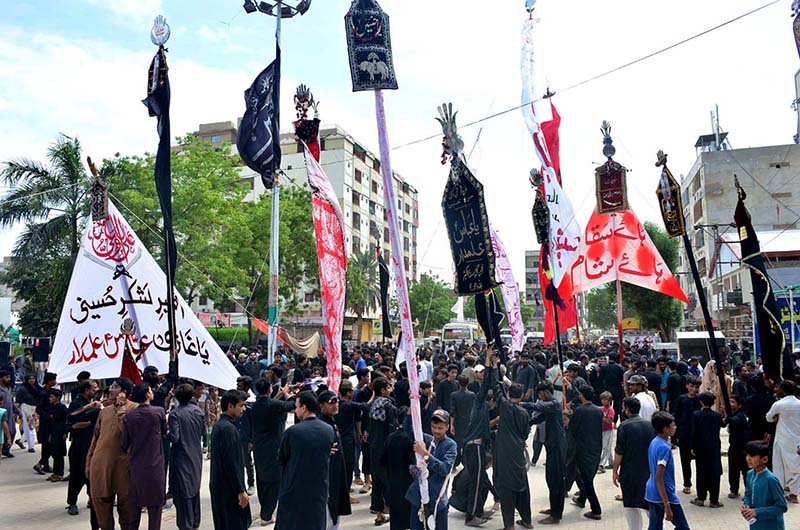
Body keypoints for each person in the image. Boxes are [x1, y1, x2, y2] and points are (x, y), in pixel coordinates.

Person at [276, 390, 336, 530]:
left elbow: (282, 459)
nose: (296, 411)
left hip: (295, 488)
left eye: (296, 407)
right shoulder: (328, 430)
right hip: (319, 488)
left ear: (303, 408)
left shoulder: (292, 432)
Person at [489, 346, 533, 530]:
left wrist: (493, 366)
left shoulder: (505, 407)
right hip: (518, 452)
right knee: (522, 487)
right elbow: (525, 433)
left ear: (509, 394)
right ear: (521, 395)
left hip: (505, 452)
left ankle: (509, 526)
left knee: (507, 489)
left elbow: (495, 388)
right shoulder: (524, 413)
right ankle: (527, 520)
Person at [87, 378, 137, 530]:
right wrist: (88, 463)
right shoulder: (104, 412)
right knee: (101, 503)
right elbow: (95, 439)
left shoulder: (134, 409)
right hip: (101, 465)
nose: (110, 390)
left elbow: (127, 434)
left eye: (115, 387)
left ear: (124, 392)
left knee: (126, 505)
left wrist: (121, 408)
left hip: (123, 466)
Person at [250, 377, 296, 525]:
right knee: (274, 481)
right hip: (273, 447)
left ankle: (265, 509)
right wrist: (288, 393)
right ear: (269, 389)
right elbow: (292, 405)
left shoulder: (254, 405)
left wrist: (280, 395)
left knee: (262, 478)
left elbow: (273, 404)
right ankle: (267, 515)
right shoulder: (273, 404)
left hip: (259, 447)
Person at [121, 382, 167, 530]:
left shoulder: (128, 417)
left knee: (134, 508)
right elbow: (165, 432)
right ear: (148, 394)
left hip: (136, 466)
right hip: (155, 466)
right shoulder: (158, 412)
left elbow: (124, 444)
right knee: (155, 509)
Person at [407, 409, 458, 530]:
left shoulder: (450, 445)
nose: (436, 431)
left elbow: (445, 469)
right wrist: (412, 406)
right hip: (418, 496)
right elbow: (408, 429)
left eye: (440, 428)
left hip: (436, 499)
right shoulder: (426, 439)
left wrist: (425, 454)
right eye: (434, 427)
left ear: (447, 427)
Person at [461, 352, 495, 526]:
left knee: (480, 481)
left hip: (476, 448)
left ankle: (478, 511)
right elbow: (487, 384)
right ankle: (471, 515)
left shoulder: (481, 410)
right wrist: (489, 363)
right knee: (476, 483)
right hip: (474, 448)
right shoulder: (478, 403)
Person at [210, 389, 251, 530]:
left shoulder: (220, 425)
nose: (243, 409)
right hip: (229, 489)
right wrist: (240, 490)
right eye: (241, 405)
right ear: (230, 406)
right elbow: (232, 463)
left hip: (221, 486)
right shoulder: (228, 429)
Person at [613, 397, 656, 530]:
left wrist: (615, 470)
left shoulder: (624, 426)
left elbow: (619, 451)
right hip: (648, 470)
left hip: (629, 472)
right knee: (650, 504)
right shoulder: (650, 425)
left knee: (631, 506)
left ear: (626, 409)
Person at [167, 383, 206, 530]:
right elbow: (203, 432)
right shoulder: (199, 412)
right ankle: (195, 522)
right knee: (194, 488)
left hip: (181, 456)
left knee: (183, 492)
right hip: (195, 454)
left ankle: (186, 525)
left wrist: (165, 434)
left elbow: (175, 437)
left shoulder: (175, 414)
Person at [644, 411, 690, 530]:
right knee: (683, 527)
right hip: (665, 494)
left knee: (655, 527)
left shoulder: (654, 442)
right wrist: (667, 504)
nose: (675, 427)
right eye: (673, 425)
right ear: (665, 429)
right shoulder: (665, 448)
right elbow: (659, 477)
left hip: (652, 492)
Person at [529, 381, 566, 525]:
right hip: (551, 446)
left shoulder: (554, 404)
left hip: (557, 447)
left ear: (546, 392)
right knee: (551, 479)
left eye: (540, 394)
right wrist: (529, 422)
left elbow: (538, 406)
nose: (539, 397)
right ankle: (553, 508)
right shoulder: (550, 407)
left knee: (556, 481)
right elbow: (540, 417)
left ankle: (556, 515)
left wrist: (520, 404)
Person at [66, 379, 102, 518]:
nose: (96, 389)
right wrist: (85, 419)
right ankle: (72, 502)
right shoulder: (77, 403)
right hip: (79, 446)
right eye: (94, 388)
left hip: (92, 445)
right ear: (87, 390)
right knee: (77, 475)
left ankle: (92, 499)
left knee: (91, 476)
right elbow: (70, 419)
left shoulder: (96, 404)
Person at [318, 389, 352, 530]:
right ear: (321, 405)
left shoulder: (331, 423)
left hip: (336, 476)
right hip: (327, 480)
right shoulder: (321, 426)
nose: (335, 405)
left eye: (336, 401)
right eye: (331, 402)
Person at [367, 377, 398, 526]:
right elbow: (393, 429)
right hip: (386, 449)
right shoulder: (388, 407)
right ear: (383, 390)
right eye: (389, 387)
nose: (391, 389)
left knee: (377, 482)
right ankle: (394, 512)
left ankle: (379, 514)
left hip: (374, 448)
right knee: (390, 481)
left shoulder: (372, 405)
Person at [570, 386, 603, 520]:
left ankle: (596, 509)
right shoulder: (598, 411)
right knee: (589, 476)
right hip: (596, 448)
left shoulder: (579, 411)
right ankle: (582, 499)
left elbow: (572, 430)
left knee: (587, 480)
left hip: (583, 449)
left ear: (582, 396)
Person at [765, 380, 800, 504]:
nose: (776, 390)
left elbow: (768, 417)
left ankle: (780, 492)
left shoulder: (779, 404)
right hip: (797, 439)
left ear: (783, 391)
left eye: (778, 388)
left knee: (780, 465)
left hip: (782, 439)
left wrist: (776, 417)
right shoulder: (799, 403)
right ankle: (794, 493)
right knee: (796, 466)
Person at [741, 440, 788, 529]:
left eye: (752, 456)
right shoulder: (750, 474)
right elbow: (748, 494)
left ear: (764, 459)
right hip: (755, 524)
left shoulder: (771, 479)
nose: (748, 458)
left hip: (772, 526)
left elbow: (782, 506)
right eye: (747, 455)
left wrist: (757, 512)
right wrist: (746, 505)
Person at [690, 391, 724, 508]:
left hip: (701, 448)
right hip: (714, 448)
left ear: (700, 402)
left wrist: (693, 447)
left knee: (701, 472)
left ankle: (701, 498)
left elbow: (694, 433)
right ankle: (714, 500)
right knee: (714, 472)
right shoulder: (716, 416)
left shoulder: (695, 415)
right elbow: (723, 425)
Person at [382, 409, 415, 530]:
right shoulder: (411, 439)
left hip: (393, 480)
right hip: (407, 481)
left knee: (395, 515)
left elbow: (383, 460)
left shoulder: (390, 437)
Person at [673, 376, 701, 495]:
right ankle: (687, 483)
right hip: (684, 433)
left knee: (700, 461)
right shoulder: (681, 399)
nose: (693, 389)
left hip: (698, 435)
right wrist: (675, 436)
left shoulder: (700, 400)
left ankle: (701, 485)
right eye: (691, 386)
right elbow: (676, 416)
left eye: (696, 387)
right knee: (685, 460)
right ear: (687, 386)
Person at [723, 394, 750, 499]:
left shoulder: (741, 415)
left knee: (745, 471)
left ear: (739, 405)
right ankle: (734, 490)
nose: (730, 404)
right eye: (729, 401)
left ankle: (748, 493)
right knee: (733, 470)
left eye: (733, 402)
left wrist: (727, 418)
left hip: (742, 448)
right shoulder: (734, 414)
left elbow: (736, 421)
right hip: (734, 446)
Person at [0, 369, 18, 457]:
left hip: (10, 413)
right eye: (7, 377)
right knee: (3, 432)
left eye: (9, 377)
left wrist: (17, 411)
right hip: (1, 414)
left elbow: (12, 401)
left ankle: (6, 449)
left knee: (12, 431)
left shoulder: (9, 388)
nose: (9, 379)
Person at [599, 391, 616, 471]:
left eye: (605, 400)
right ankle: (611, 462)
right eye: (602, 399)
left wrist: (601, 418)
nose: (603, 401)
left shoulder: (610, 410)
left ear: (609, 401)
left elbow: (609, 421)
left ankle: (602, 464)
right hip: (602, 429)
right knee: (607, 446)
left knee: (605, 447)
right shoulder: (601, 409)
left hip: (608, 430)